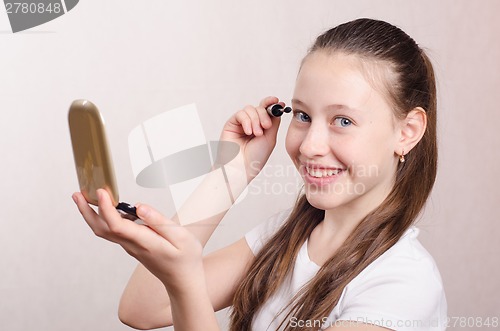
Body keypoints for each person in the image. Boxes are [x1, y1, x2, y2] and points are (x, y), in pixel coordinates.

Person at [73, 18, 447, 331]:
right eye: (302, 115)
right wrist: (233, 172)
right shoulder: (287, 234)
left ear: (407, 132)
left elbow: (172, 289)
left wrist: (183, 278)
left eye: (343, 120)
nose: (309, 145)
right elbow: (141, 307)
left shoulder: (403, 285)